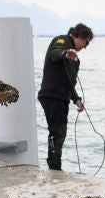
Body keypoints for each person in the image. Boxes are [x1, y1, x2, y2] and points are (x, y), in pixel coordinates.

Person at [37, 23, 94, 170]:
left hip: (61, 97)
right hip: (51, 95)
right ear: (82, 37)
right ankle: (54, 167)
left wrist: (76, 99)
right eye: (86, 42)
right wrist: (64, 53)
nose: (85, 46)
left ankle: (55, 165)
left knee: (60, 132)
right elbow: (54, 53)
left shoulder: (75, 59)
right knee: (57, 132)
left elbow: (70, 82)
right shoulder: (62, 41)